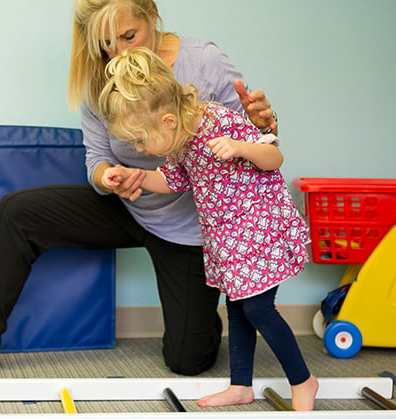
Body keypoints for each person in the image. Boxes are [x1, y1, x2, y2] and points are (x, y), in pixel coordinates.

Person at [0, 0, 279, 378]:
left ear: (151, 15)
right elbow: (97, 158)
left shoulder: (203, 62)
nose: (119, 51)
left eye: (128, 36)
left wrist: (267, 124)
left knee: (189, 362)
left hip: (187, 223)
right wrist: (107, 177)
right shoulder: (99, 77)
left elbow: (259, 145)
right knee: (17, 212)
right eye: (107, 42)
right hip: (128, 204)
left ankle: (203, 317)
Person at [98, 47, 318, 411]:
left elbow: (274, 157)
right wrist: (135, 176)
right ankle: (241, 386)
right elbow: (173, 180)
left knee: (258, 309)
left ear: (168, 121)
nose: (138, 147)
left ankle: (303, 380)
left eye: (140, 140)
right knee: (236, 309)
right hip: (226, 239)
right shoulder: (179, 140)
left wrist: (240, 147)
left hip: (258, 231)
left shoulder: (219, 120)